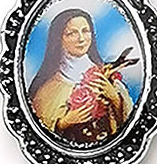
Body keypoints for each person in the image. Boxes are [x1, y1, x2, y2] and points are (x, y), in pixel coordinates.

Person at [27, 9, 136, 146]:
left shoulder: (106, 77)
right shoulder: (48, 90)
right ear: (59, 39)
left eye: (85, 31)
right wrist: (63, 123)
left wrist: (114, 98)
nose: (81, 39)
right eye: (72, 33)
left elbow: (130, 123)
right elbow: (38, 134)